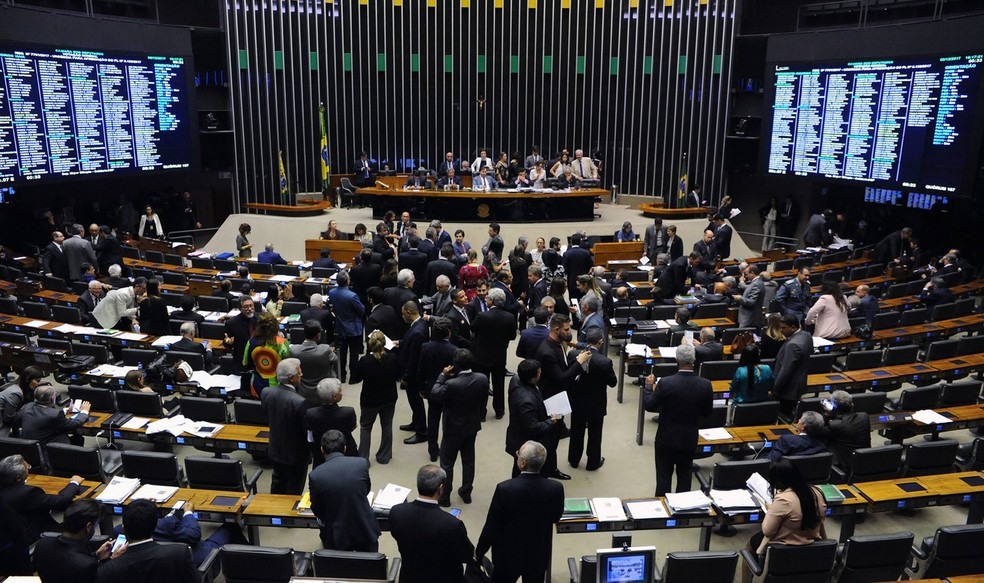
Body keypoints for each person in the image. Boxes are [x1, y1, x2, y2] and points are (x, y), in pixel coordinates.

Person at [476, 440, 564, 583]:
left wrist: (479, 552)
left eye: (518, 454)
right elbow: (555, 517)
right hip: (538, 553)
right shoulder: (555, 488)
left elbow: (492, 525)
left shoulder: (505, 489)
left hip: (507, 554)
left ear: (522, 463)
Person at [642, 344, 713, 495]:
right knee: (685, 477)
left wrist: (648, 387)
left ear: (677, 360)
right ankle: (682, 515)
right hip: (689, 437)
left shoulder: (665, 383)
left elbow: (649, 405)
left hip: (666, 438)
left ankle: (662, 514)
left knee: (663, 478)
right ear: (693, 360)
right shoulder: (705, 385)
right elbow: (707, 413)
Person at [389, 464, 476, 583]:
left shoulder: (396, 512)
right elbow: (467, 556)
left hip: (410, 577)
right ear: (440, 488)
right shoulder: (451, 524)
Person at [744, 459, 826, 582]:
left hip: (784, 547)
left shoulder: (784, 500)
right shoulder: (816, 492)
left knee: (750, 546)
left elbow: (768, 531)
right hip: (813, 543)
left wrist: (771, 510)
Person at [431, 349, 488, 507]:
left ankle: (445, 496)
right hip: (472, 426)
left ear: (455, 365)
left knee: (447, 463)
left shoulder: (450, 384)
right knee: (468, 460)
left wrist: (442, 376)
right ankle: (466, 491)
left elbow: (434, 394)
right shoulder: (482, 379)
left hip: (452, 428)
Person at [95, 499, 200, 583]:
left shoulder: (106, 570)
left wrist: (106, 560)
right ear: (154, 526)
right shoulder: (179, 553)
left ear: (123, 529)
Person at [309, 430, 380, 551]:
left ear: (322, 450)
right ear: (345, 448)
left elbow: (317, 510)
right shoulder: (361, 463)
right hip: (364, 527)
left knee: (341, 568)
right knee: (370, 567)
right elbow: (366, 490)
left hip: (337, 535)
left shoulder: (315, 475)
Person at [32, 499, 122, 583]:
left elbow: (67, 567)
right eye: (96, 524)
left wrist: (96, 556)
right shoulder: (87, 565)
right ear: (89, 527)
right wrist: (111, 560)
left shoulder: (42, 545)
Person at [567, 328, 616, 471]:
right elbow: (613, 383)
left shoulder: (573, 355)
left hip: (577, 401)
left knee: (576, 431)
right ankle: (593, 462)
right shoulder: (605, 362)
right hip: (596, 403)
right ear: (600, 342)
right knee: (595, 434)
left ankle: (574, 459)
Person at [260, 359, 311, 494]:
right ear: (291, 378)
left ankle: (275, 513)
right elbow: (306, 431)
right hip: (296, 455)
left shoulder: (266, 392)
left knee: (277, 483)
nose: (302, 374)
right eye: (299, 372)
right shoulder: (300, 402)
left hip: (275, 449)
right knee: (294, 488)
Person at [352, 331, 399, 464]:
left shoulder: (365, 361)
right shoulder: (393, 359)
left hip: (369, 400)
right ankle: (384, 456)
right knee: (387, 425)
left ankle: (363, 459)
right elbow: (398, 375)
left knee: (366, 427)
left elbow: (356, 377)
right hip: (389, 398)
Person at [471, 288, 517, 420]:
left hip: (482, 356)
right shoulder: (509, 317)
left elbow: (473, 328)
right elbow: (513, 336)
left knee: (482, 385)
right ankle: (499, 410)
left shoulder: (482, 316)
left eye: (487, 298)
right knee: (499, 384)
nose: (486, 299)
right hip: (499, 356)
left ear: (491, 301)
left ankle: (481, 413)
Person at [305, 378, 357, 467]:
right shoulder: (348, 412)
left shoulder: (311, 413)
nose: (342, 392)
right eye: (340, 390)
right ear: (334, 396)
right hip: (346, 450)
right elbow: (352, 426)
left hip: (322, 453)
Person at [397, 301, 429, 444]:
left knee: (416, 402)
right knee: (414, 402)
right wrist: (400, 342)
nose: (402, 316)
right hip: (415, 372)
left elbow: (413, 359)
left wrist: (405, 377)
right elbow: (410, 342)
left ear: (408, 312)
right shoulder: (419, 325)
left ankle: (422, 431)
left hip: (414, 375)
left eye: (403, 313)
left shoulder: (417, 331)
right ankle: (415, 423)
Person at [20, 385, 91, 447]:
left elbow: (45, 415)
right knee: (78, 438)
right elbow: (73, 424)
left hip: (32, 448)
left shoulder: (28, 407)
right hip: (48, 450)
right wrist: (84, 412)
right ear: (51, 399)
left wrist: (66, 409)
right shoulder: (55, 415)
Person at [290, 320, 339, 404]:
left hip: (303, 392)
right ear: (318, 335)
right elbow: (335, 360)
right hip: (324, 391)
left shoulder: (294, 350)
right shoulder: (325, 349)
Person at [817, 390, 870, 468]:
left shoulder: (835, 425)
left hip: (843, 465)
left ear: (834, 407)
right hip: (864, 460)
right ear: (852, 404)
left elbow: (817, 432)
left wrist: (827, 414)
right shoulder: (864, 417)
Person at [772, 315, 813, 417]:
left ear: (793, 327)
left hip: (788, 389)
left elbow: (785, 371)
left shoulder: (793, 345)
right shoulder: (806, 335)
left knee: (783, 415)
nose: (781, 330)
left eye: (784, 328)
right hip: (799, 382)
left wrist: (775, 390)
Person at [244, 312, 291, 398]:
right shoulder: (282, 342)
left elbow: (246, 364)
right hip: (278, 386)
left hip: (257, 385)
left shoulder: (251, 342)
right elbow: (288, 364)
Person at [0, 366, 45, 437]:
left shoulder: (21, 388)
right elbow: (8, 417)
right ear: (27, 379)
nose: (39, 383)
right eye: (37, 380)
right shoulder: (16, 393)